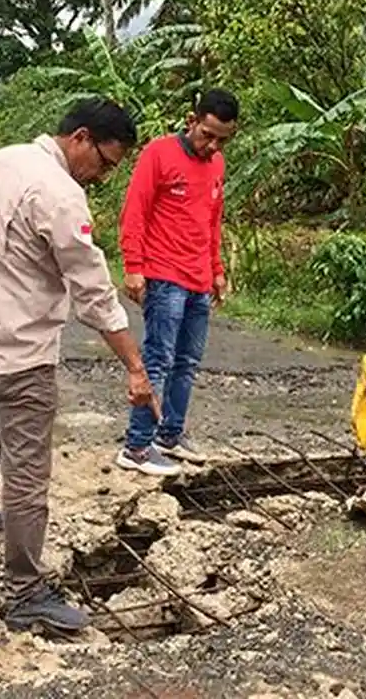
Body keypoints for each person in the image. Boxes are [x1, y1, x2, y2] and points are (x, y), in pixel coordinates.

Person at [0, 98, 158, 634]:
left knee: (1, 421)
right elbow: (93, 292)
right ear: (80, 138)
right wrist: (135, 365)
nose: (105, 176)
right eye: (106, 163)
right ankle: (25, 592)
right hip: (19, 345)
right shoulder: (62, 195)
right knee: (29, 471)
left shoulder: (2, 159)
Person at [115, 89, 240, 476]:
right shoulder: (159, 154)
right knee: (159, 359)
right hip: (164, 276)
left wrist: (216, 269)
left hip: (199, 278)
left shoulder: (216, 164)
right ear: (192, 120)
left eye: (222, 139)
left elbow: (211, 221)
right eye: (207, 134)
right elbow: (134, 211)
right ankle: (136, 446)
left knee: (187, 361)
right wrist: (133, 265)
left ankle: (170, 434)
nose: (212, 145)